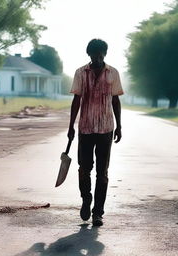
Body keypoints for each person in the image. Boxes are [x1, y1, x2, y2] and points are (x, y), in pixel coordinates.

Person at [67, 38, 124, 226]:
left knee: (102, 172)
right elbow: (76, 100)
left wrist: (119, 126)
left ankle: (98, 213)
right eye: (94, 55)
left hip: (106, 129)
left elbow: (116, 101)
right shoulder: (81, 73)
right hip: (85, 128)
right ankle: (86, 199)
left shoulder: (112, 73)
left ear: (105, 54)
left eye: (101, 55)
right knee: (84, 169)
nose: (98, 58)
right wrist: (70, 127)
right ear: (89, 55)